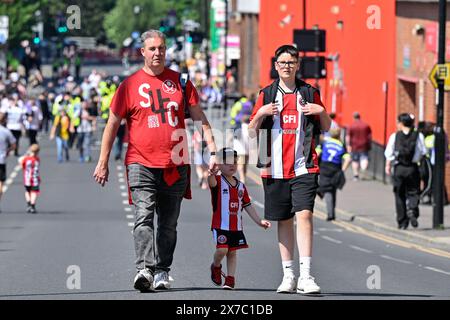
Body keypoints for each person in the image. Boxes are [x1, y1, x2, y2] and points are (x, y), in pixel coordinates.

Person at [93, 30, 218, 293]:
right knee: (143, 217)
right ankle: (144, 269)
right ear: (142, 52)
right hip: (140, 161)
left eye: (161, 48)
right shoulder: (129, 85)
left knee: (169, 223)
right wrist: (103, 161)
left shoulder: (181, 82)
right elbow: (112, 124)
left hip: (176, 162)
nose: (157, 53)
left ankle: (163, 270)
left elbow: (200, 118)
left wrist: (213, 150)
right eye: (152, 49)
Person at [248, 45, 331, 294]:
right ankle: (289, 275)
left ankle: (306, 275)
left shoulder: (309, 92)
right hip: (274, 168)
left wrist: (322, 112)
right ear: (276, 66)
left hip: (304, 165)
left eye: (291, 62)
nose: (287, 66)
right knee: (284, 220)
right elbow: (251, 131)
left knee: (304, 215)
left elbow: (326, 127)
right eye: (282, 62)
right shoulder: (266, 94)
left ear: (297, 65)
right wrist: (260, 114)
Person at [209, 148, 271, 290]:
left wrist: (259, 221)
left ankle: (230, 279)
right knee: (222, 250)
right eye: (227, 162)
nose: (232, 165)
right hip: (220, 225)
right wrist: (211, 173)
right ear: (218, 164)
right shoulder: (218, 181)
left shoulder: (241, 186)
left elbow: (248, 205)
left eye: (235, 162)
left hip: (236, 227)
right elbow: (211, 182)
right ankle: (216, 266)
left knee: (232, 252)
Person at [385, 113, 427, 230]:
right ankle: (412, 210)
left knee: (399, 194)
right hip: (413, 168)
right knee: (414, 192)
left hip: (399, 168)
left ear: (401, 123)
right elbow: (423, 152)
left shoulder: (395, 136)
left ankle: (402, 222)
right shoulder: (419, 136)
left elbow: (389, 153)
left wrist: (388, 165)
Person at [316, 128, 351, 221]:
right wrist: (343, 170)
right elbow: (348, 159)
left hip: (324, 167)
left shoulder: (324, 143)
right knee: (332, 190)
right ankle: (332, 212)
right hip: (336, 169)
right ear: (339, 135)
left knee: (326, 189)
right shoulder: (341, 145)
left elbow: (317, 153)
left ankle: (330, 214)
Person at [346, 112, 372, 181]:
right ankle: (363, 170)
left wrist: (348, 145)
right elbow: (369, 136)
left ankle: (356, 175)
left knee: (355, 160)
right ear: (359, 117)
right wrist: (369, 144)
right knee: (364, 158)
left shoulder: (351, 125)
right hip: (364, 145)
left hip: (354, 145)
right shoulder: (366, 125)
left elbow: (348, 136)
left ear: (353, 117)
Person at [0, 113, 17, 210]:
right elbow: (14, 145)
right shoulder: (6, 131)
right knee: (1, 183)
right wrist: (7, 151)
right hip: (1, 159)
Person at [18, 144, 41, 214]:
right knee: (34, 192)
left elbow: (21, 165)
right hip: (35, 179)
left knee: (27, 191)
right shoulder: (37, 159)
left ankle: (28, 203)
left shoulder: (26, 159)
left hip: (27, 179)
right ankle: (32, 205)